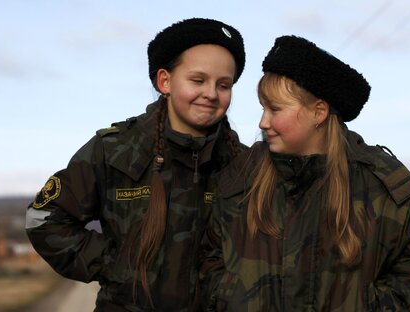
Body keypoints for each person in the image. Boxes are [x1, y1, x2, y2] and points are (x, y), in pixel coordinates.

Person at [199, 35, 410, 311]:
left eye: (275, 109)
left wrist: (368, 306)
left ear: (318, 112)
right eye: (263, 108)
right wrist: (227, 296)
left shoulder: (379, 183)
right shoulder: (242, 175)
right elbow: (210, 252)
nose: (263, 121)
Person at [25, 18, 247, 311]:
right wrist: (116, 267)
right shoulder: (116, 151)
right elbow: (44, 218)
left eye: (224, 84)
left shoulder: (243, 164)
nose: (211, 93)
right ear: (164, 81)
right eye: (197, 80)